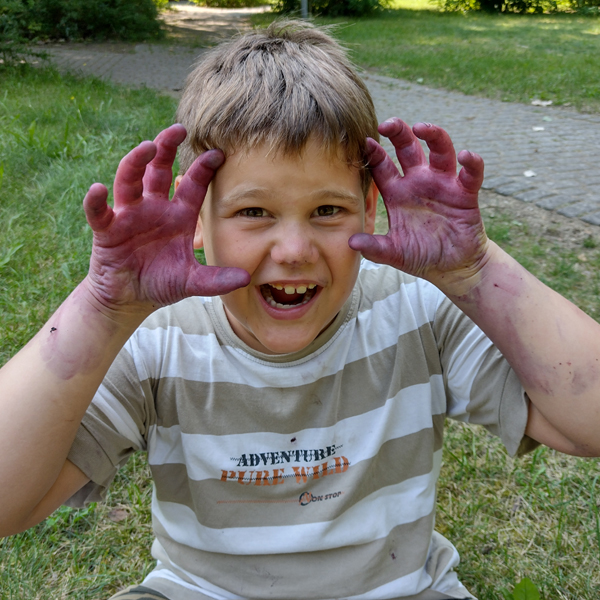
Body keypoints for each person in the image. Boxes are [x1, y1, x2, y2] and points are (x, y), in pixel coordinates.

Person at [1, 20, 599, 600]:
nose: (293, 250)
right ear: (197, 216)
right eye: (253, 212)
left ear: (371, 207)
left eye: (327, 211)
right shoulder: (157, 340)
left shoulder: (417, 312)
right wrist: (104, 309)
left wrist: (474, 271)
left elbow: (588, 422)